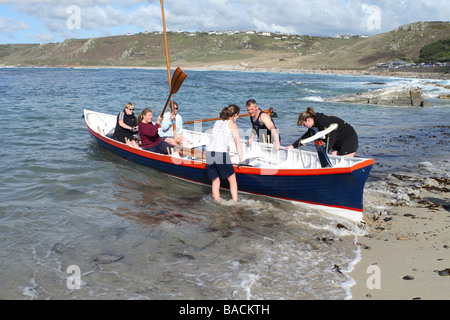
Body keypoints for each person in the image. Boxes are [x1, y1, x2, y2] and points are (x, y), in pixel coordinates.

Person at [206, 104, 244, 202]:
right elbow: (237, 143)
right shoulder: (233, 125)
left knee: (215, 181)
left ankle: (217, 202)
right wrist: (241, 160)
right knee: (232, 179)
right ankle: (235, 202)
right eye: (238, 115)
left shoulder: (217, 122)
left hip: (209, 153)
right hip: (220, 153)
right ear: (235, 115)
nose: (238, 117)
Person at [287, 107, 358, 157]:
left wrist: (325, 151)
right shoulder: (314, 125)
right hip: (337, 142)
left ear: (308, 120)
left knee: (344, 161)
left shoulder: (321, 121)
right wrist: (293, 146)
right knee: (333, 158)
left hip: (348, 138)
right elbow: (305, 137)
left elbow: (332, 136)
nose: (304, 126)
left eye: (304, 124)